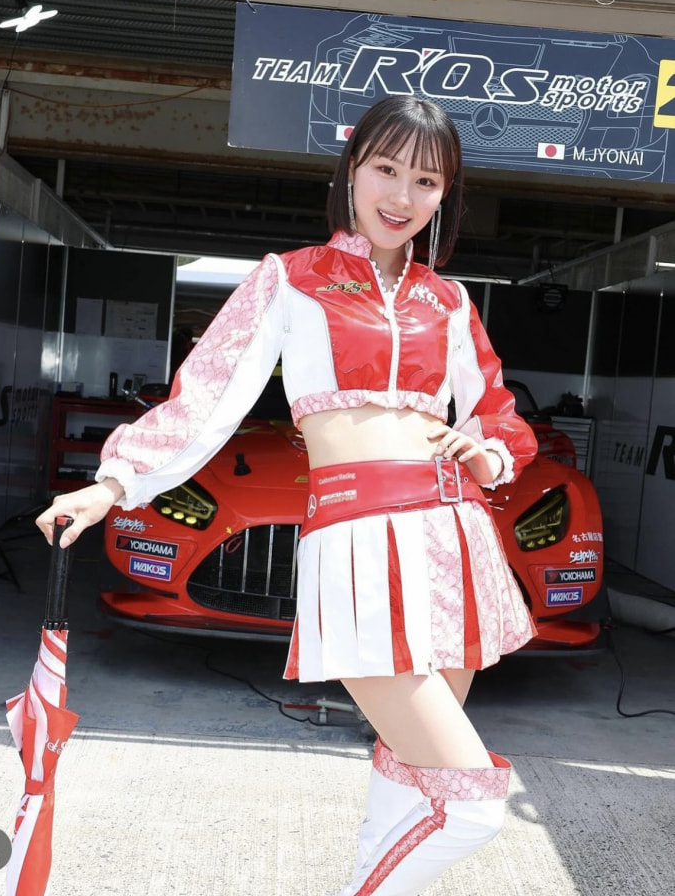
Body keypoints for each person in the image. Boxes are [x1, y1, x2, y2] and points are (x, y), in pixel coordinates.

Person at [37, 95, 538, 896]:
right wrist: (113, 483)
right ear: (352, 170)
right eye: (386, 169)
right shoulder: (290, 279)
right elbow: (205, 396)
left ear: (447, 195)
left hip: (454, 541)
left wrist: (489, 453)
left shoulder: (449, 302)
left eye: (426, 180)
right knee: (470, 808)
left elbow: (499, 415)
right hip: (359, 540)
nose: (402, 196)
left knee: (410, 777)